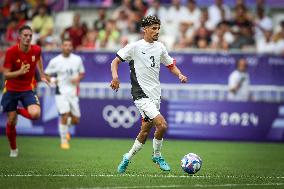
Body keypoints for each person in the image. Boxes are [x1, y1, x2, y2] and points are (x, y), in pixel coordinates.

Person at [110, 15, 188, 173]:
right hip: (140, 94)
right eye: (153, 28)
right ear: (144, 29)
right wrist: (115, 77)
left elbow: (170, 64)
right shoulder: (134, 47)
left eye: (158, 28)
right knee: (162, 125)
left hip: (155, 94)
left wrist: (179, 74)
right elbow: (115, 61)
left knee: (145, 131)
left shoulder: (160, 47)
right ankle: (157, 155)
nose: (157, 31)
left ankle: (127, 157)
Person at [1, 25, 48, 157]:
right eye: (25, 35)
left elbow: (39, 59)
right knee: (11, 121)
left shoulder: (37, 49)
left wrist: (42, 74)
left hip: (27, 88)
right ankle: (13, 149)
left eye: (30, 36)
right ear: (19, 37)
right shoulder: (11, 51)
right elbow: (5, 75)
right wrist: (20, 72)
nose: (28, 38)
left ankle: (16, 110)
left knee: (35, 114)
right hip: (11, 89)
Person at [45, 38, 85, 150]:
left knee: (76, 120)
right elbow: (46, 75)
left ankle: (65, 127)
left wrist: (78, 78)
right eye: (65, 45)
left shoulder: (77, 59)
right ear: (62, 47)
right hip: (61, 91)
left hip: (73, 92)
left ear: (72, 47)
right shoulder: (55, 61)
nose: (67, 47)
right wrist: (53, 80)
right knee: (64, 114)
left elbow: (82, 73)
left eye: (69, 45)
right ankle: (64, 141)